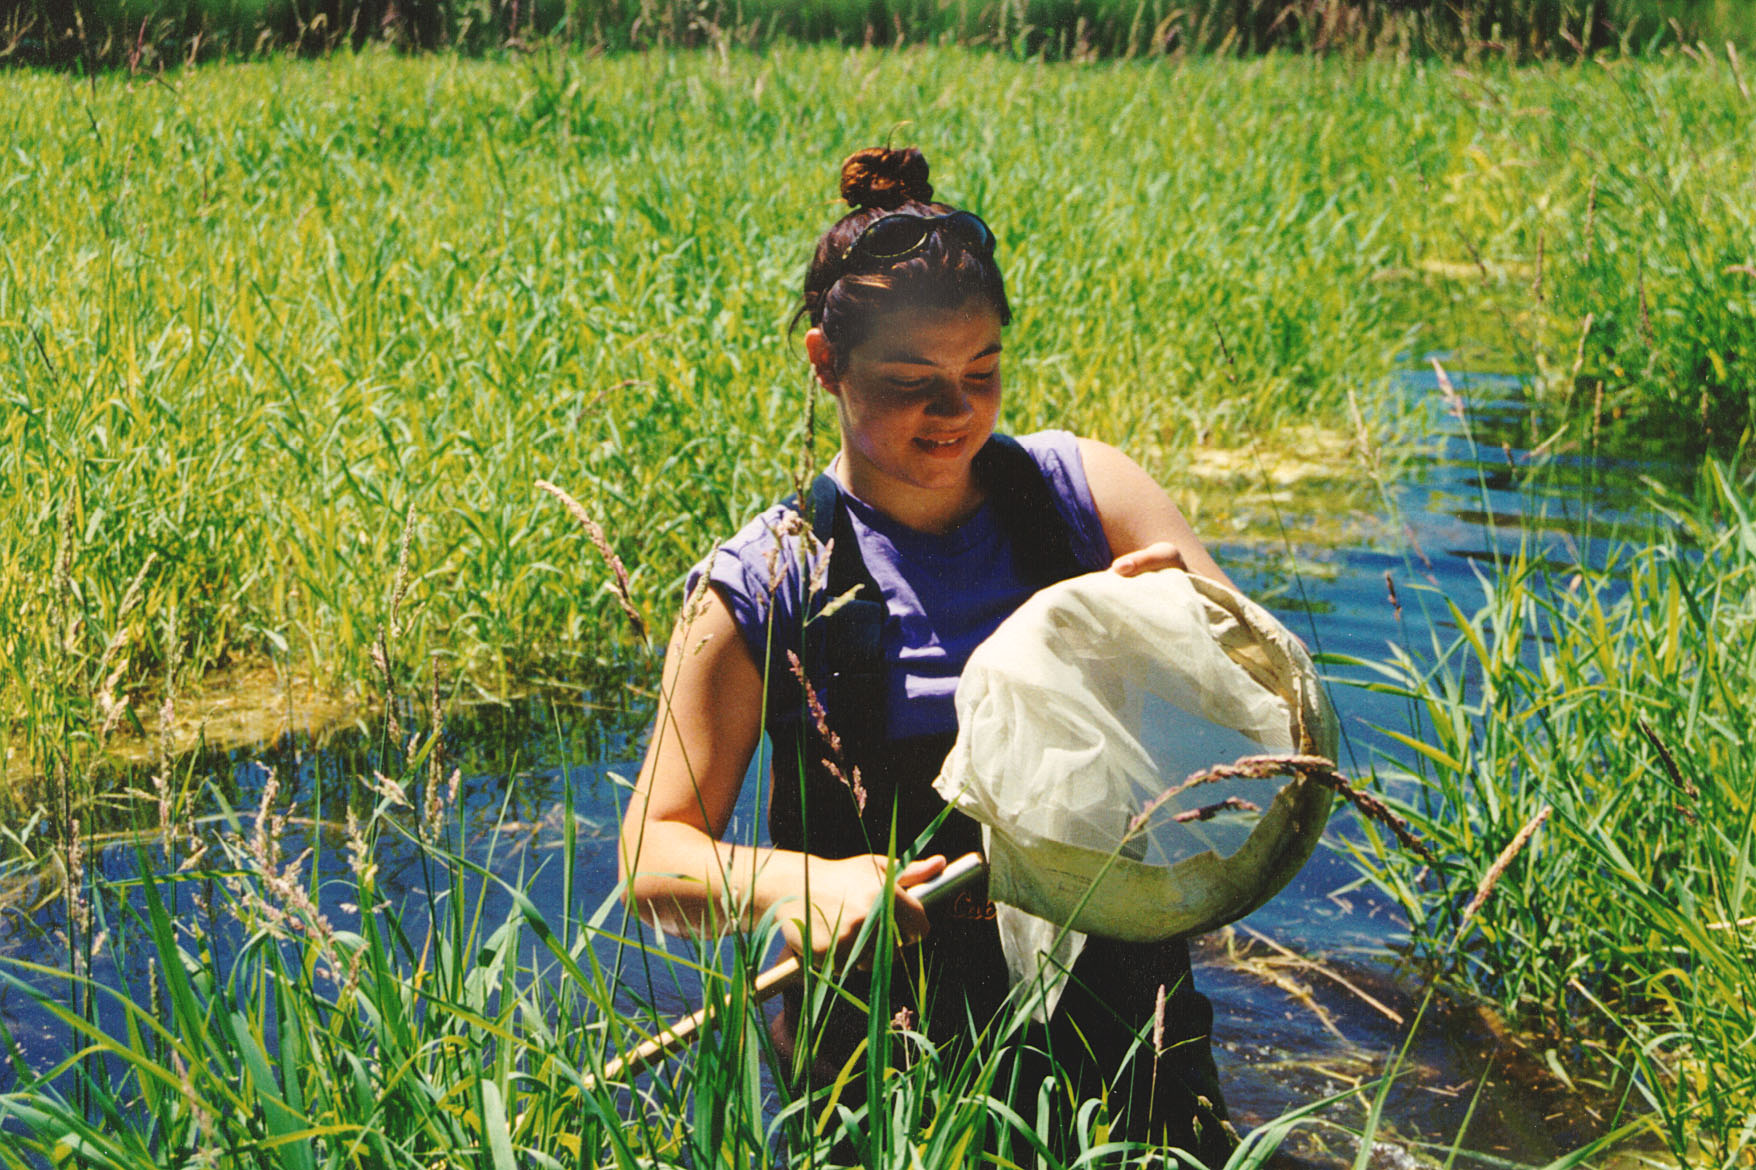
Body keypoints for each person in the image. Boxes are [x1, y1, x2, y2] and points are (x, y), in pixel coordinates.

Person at [619, 146, 1238, 1165]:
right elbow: (652, 859)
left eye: (981, 373)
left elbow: (1265, 737)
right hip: (880, 1058)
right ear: (825, 363)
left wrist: (1182, 643)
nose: (956, 413)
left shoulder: (1093, 495)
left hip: (1124, 1022)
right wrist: (795, 888)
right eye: (913, 384)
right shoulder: (761, 582)